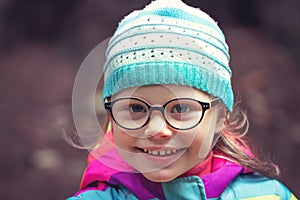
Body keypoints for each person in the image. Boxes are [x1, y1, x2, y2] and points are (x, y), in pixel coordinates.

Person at [68, 0, 296, 199]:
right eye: (136, 108)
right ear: (112, 117)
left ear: (220, 117)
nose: (157, 130)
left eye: (180, 108)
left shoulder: (268, 195)